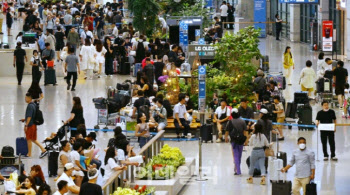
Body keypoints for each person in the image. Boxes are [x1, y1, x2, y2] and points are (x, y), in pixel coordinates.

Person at [20, 93, 47, 158]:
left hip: (30, 125)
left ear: (29, 98)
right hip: (34, 125)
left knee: (29, 139)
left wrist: (26, 125)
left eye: (26, 98)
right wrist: (25, 119)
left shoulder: (30, 106)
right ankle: (43, 149)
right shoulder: (34, 105)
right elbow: (32, 115)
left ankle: (29, 154)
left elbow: (29, 116)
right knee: (33, 139)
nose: (25, 99)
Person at [225, 108, 246, 175]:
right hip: (241, 140)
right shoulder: (242, 121)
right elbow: (245, 132)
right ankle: (237, 168)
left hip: (233, 140)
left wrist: (226, 138)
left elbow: (227, 131)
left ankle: (237, 170)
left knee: (235, 155)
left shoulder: (230, 122)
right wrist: (246, 140)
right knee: (239, 155)